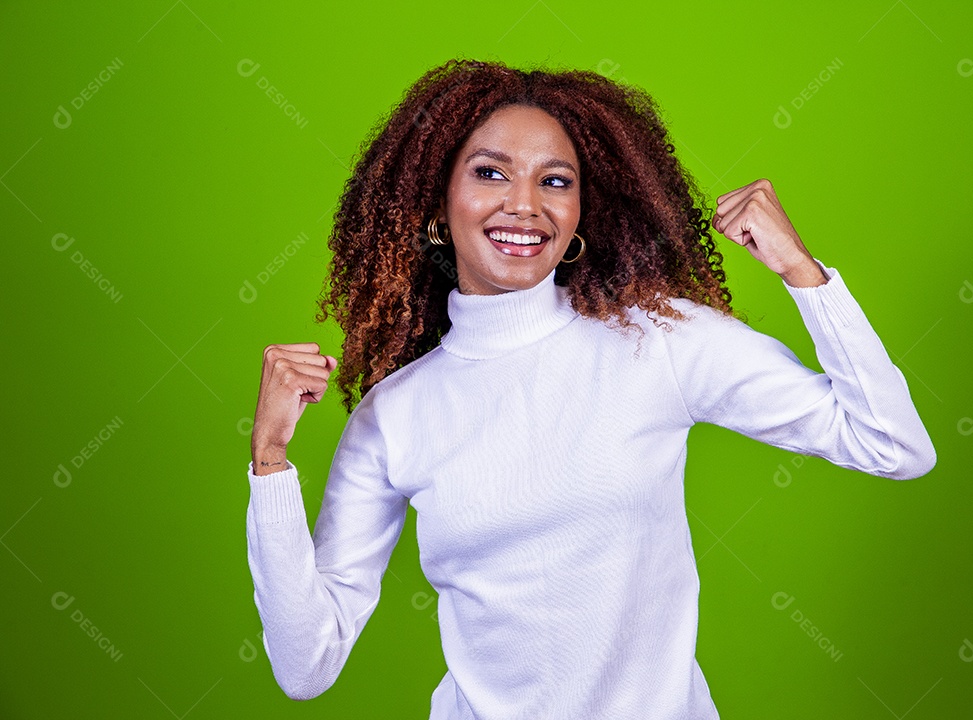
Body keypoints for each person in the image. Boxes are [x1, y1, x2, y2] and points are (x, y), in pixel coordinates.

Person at [245, 58, 935, 719]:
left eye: (555, 181)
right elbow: (306, 666)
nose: (524, 205)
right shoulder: (393, 416)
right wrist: (270, 459)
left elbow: (892, 445)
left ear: (581, 210)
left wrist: (802, 272)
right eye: (490, 173)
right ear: (438, 201)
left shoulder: (659, 341)